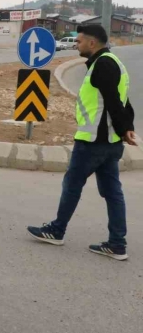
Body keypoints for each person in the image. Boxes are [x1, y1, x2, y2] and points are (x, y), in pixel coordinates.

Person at [28, 24, 137, 261]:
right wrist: (127, 129)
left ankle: (56, 230)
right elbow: (123, 101)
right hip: (110, 142)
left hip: (93, 142)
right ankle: (117, 244)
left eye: (78, 41)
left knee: (72, 185)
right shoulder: (113, 62)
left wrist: (124, 128)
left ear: (92, 43)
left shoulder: (103, 65)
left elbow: (114, 103)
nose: (76, 44)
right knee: (112, 192)